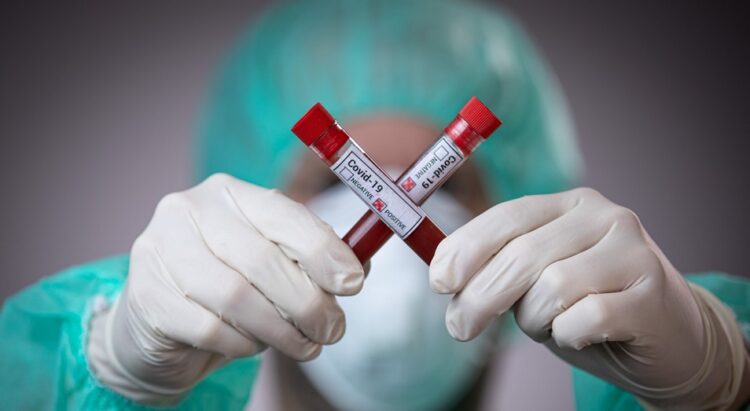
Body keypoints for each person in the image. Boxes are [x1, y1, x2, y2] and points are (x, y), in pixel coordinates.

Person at [1, 1, 748, 410]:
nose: (394, 214)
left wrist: (726, 383)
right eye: (340, 182)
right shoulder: (128, 366)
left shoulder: (687, 380)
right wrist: (109, 371)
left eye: (441, 185)